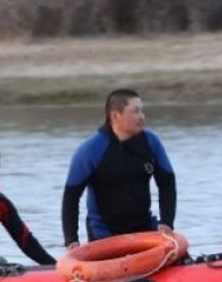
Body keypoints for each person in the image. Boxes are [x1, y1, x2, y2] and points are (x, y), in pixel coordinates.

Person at [62, 88, 177, 249]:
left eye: (142, 111)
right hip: (104, 234)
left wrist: (166, 222)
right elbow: (71, 197)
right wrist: (71, 240)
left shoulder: (151, 143)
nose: (142, 117)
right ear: (115, 115)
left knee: (181, 255)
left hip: (145, 228)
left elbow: (167, 184)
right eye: (135, 111)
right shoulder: (90, 150)